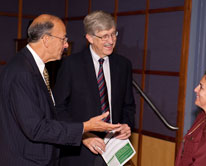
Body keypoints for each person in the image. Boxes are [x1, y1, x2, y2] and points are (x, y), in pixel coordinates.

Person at [0, 14, 121, 166]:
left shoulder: (33, 67)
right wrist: (85, 127)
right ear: (46, 39)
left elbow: (49, 115)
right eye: (63, 39)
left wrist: (85, 133)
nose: (66, 45)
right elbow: (36, 128)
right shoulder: (21, 72)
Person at [53, 10, 136, 166]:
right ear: (90, 38)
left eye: (113, 34)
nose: (111, 41)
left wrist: (127, 125)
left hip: (114, 150)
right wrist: (83, 135)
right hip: (80, 153)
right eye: (104, 36)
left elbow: (128, 106)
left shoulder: (124, 65)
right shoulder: (70, 65)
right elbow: (58, 109)